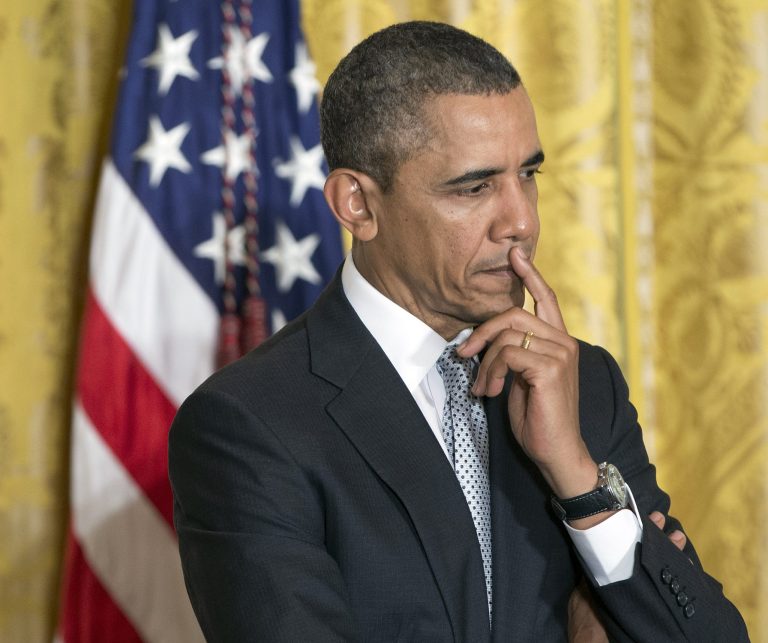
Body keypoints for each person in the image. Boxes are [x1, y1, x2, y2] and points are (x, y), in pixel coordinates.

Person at [169, 21, 749, 642]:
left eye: (529, 175)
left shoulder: (583, 382)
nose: (521, 222)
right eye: (475, 188)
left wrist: (580, 484)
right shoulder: (249, 424)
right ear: (357, 205)